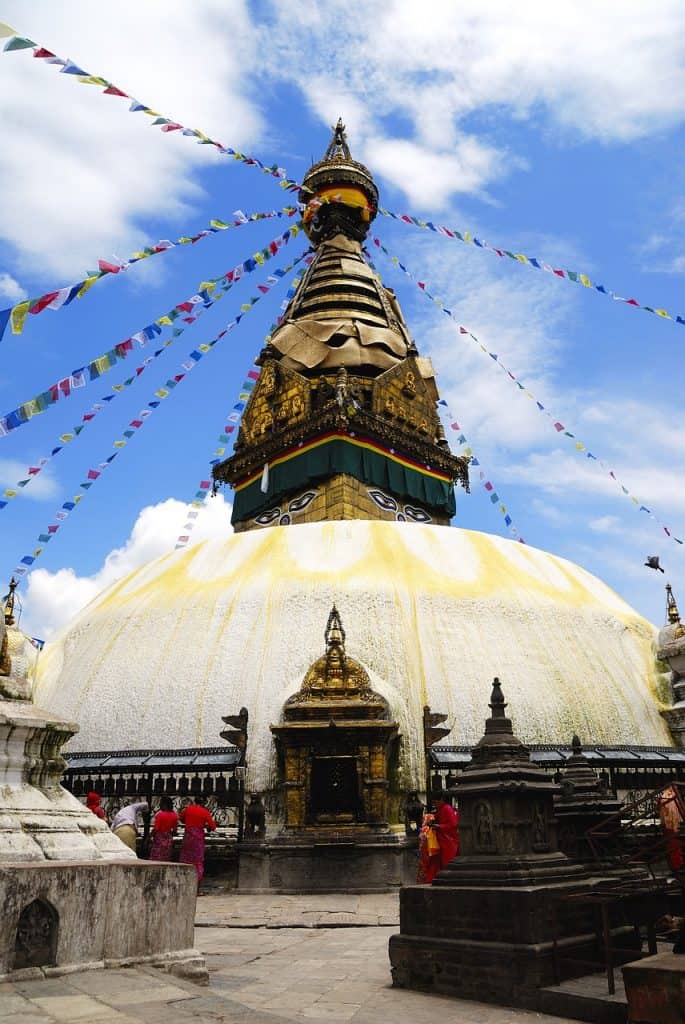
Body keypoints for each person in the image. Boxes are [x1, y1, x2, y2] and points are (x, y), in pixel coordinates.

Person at [417, 791, 459, 884]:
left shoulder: (447, 809)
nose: (435, 805)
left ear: (441, 800)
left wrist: (440, 827)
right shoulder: (440, 809)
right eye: (433, 803)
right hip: (441, 839)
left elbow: (453, 824)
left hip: (448, 840)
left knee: (447, 861)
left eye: (436, 802)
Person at [179, 795, 216, 885]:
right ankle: (197, 885)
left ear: (195, 801)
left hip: (188, 837)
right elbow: (213, 827)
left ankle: (184, 881)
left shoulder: (188, 809)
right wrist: (207, 827)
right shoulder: (205, 812)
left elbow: (181, 818)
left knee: (185, 859)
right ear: (204, 803)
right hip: (198, 839)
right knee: (197, 861)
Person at [149, 796, 179, 862]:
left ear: (164, 805)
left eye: (160, 803)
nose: (159, 805)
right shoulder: (174, 815)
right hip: (168, 839)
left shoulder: (159, 815)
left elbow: (156, 829)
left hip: (159, 839)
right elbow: (174, 830)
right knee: (166, 857)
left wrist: (149, 836)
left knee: (156, 858)